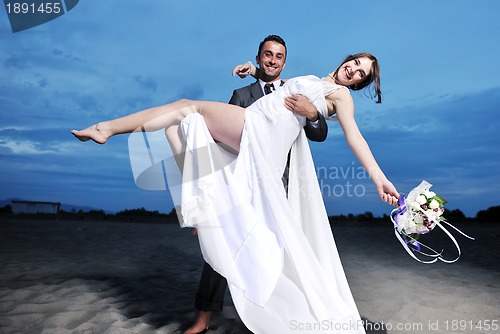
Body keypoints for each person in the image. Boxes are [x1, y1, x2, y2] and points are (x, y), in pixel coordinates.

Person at [72, 52, 399, 333]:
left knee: (187, 107)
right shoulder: (315, 77)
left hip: (262, 133)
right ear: (347, 59)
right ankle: (197, 197)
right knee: (178, 126)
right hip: (257, 124)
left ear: (358, 83)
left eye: (360, 74)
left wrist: (378, 177)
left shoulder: (341, 96)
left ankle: (107, 129)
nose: (353, 71)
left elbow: (354, 137)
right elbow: (279, 87)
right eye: (355, 63)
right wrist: (254, 70)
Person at [186, 34, 329, 334]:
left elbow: (319, 133)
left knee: (284, 257)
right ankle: (202, 321)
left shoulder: (296, 94)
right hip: (241, 187)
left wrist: (312, 113)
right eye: (268, 54)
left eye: (278, 56)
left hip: (283, 191)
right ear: (259, 57)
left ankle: (276, 321)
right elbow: (219, 145)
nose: (273, 60)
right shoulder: (241, 95)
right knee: (221, 250)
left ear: (284, 62)